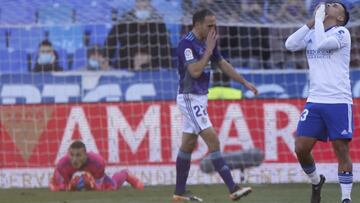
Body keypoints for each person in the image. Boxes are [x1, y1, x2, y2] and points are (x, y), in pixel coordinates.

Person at [174, 9, 258, 202]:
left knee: (187, 144)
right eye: (209, 25)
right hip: (189, 97)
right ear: (197, 25)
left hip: (200, 97)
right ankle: (233, 188)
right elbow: (195, 71)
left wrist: (244, 82)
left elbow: (222, 64)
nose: (214, 29)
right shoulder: (186, 45)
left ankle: (179, 193)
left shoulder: (208, 42)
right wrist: (209, 50)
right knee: (213, 141)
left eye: (215, 25)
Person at [285, 2, 353, 203]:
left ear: (340, 17)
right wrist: (310, 23)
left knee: (341, 149)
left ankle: (346, 199)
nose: (328, 5)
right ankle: (316, 181)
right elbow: (289, 44)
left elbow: (323, 44)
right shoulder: (314, 30)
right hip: (314, 100)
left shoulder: (342, 33)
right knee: (301, 148)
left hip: (338, 100)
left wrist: (317, 22)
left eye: (334, 5)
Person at [49, 140, 144, 191]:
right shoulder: (62, 164)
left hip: (94, 176)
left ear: (86, 154)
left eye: (78, 155)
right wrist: (72, 186)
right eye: (72, 155)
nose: (74, 159)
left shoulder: (98, 162)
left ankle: (125, 174)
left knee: (112, 188)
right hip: (63, 175)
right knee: (56, 189)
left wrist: (92, 185)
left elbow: (99, 186)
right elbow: (66, 187)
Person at [105, 0, 172, 70]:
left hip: (152, 62)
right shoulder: (125, 19)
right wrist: (106, 58)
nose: (142, 11)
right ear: (134, 7)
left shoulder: (158, 22)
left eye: (145, 7)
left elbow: (165, 46)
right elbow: (111, 39)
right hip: (126, 61)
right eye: (139, 8)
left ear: (151, 7)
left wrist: (149, 58)